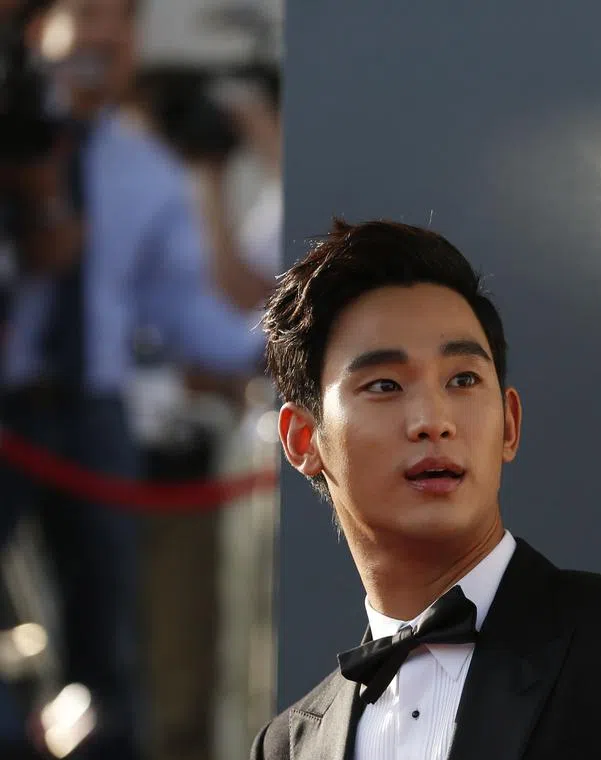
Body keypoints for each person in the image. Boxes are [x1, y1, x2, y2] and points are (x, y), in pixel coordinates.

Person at [255, 219, 601, 759]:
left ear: (509, 424)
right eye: (384, 386)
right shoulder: (288, 746)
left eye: (463, 380)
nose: (433, 420)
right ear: (304, 439)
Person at [0, 0, 265, 757]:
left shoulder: (146, 169)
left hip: (92, 417)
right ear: (34, 31)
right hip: (7, 415)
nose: (102, 35)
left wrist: (276, 350)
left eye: (120, 18)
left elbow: (183, 310)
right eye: (83, 13)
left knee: (109, 643)